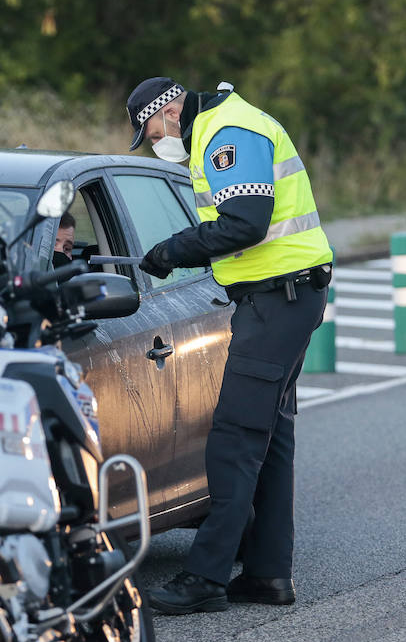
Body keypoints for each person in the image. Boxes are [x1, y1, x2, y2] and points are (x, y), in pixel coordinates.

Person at [124, 76, 333, 614]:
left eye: (149, 131)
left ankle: (206, 578)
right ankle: (266, 575)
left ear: (169, 110)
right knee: (270, 439)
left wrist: (172, 251)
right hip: (284, 297)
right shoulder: (227, 126)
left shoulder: (228, 132)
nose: (154, 143)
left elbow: (245, 222)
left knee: (235, 439)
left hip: (276, 300)